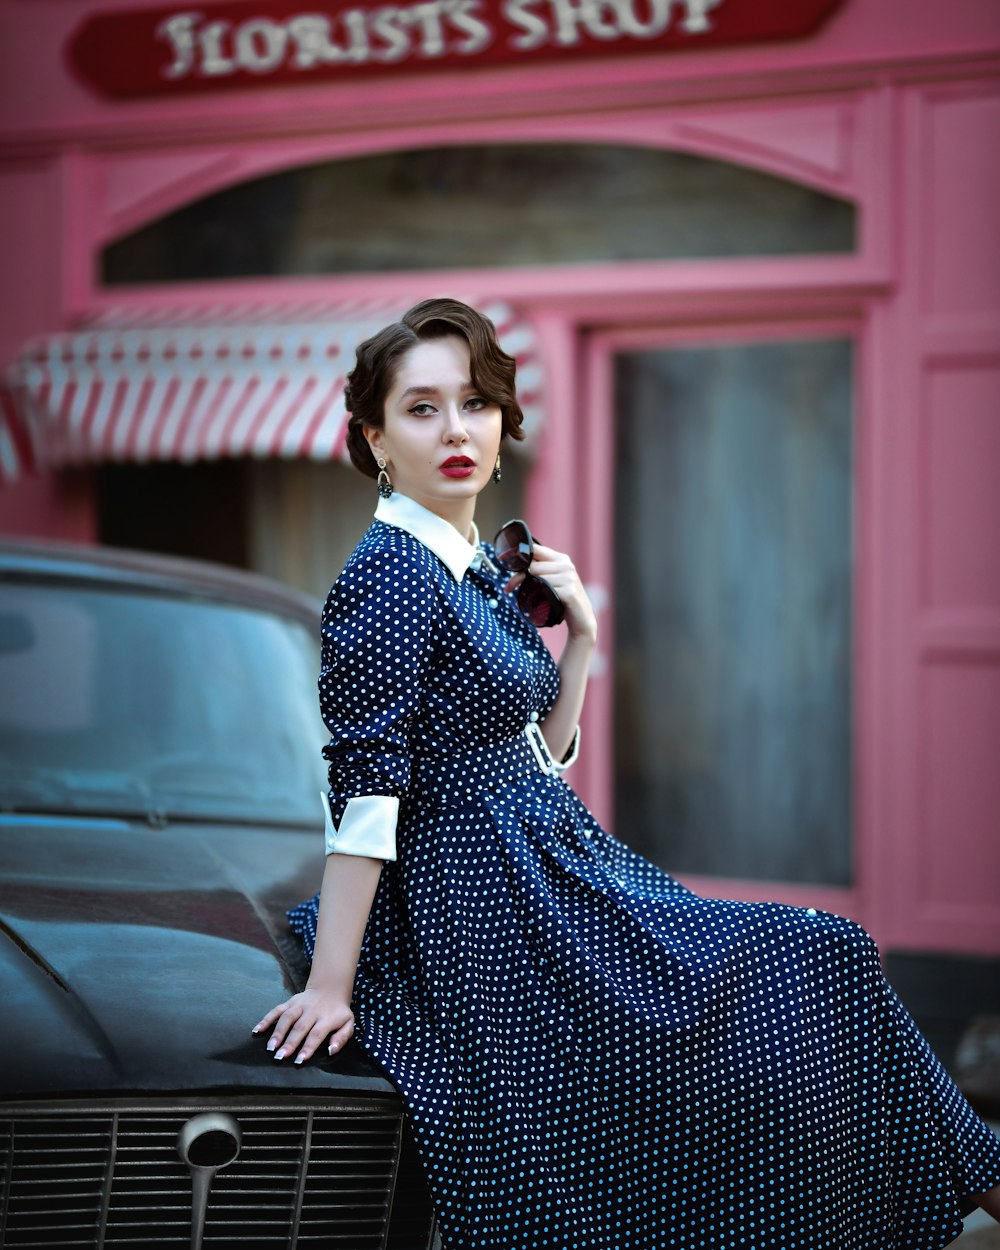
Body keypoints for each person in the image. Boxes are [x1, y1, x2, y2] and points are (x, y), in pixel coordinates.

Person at [254, 298, 1000, 1249]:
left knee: (821, 973)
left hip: (557, 861)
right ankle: (979, 1184)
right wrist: (332, 986)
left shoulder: (467, 565)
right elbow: (365, 788)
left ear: (503, 423)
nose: (457, 431)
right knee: (819, 962)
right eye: (422, 408)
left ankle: (966, 1185)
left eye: (477, 405)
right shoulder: (390, 573)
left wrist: (583, 644)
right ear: (375, 438)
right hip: (486, 901)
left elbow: (536, 749)